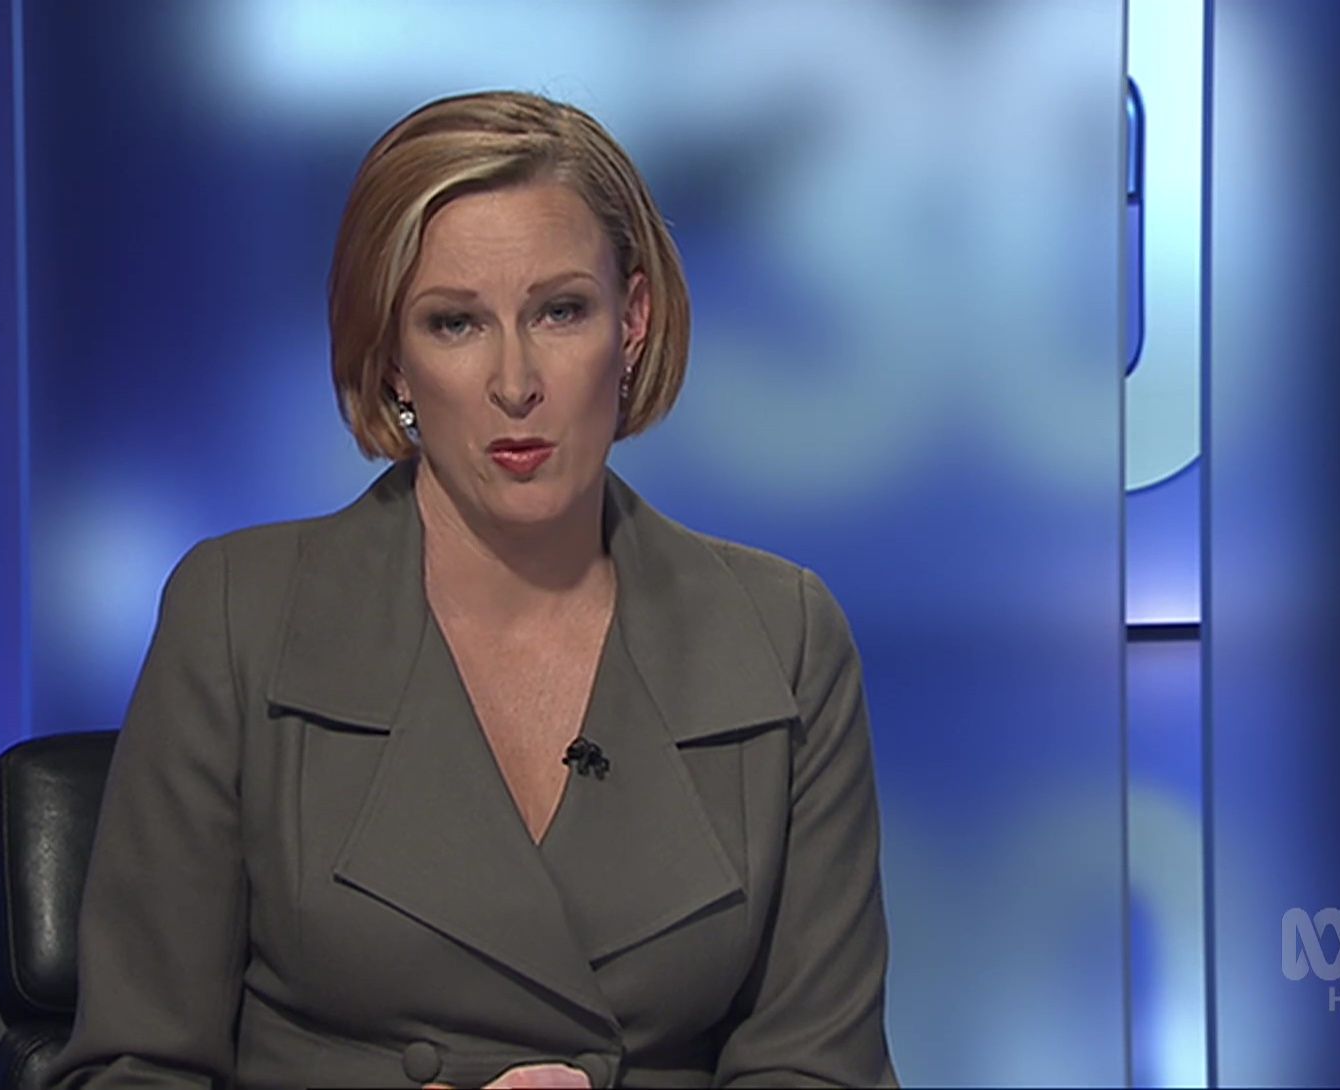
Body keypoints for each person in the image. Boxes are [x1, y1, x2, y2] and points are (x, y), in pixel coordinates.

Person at [43, 90, 896, 1090]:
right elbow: (134, 1072)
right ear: (392, 358)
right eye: (455, 323)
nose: (515, 381)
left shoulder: (781, 637)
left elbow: (820, 1069)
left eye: (560, 311)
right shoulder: (238, 618)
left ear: (632, 322)